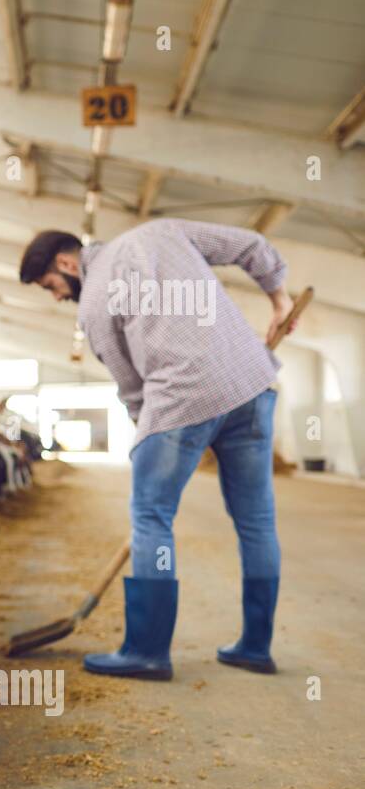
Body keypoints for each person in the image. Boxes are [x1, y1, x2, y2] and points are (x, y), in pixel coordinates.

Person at [19, 220, 299, 679]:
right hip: (251, 383)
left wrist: (154, 439)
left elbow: (133, 390)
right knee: (257, 521)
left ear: (66, 264)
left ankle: (146, 651)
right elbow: (250, 245)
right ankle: (254, 647)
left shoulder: (92, 304)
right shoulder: (164, 232)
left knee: (151, 517)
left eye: (51, 286)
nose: (56, 296)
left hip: (180, 399)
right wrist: (279, 299)